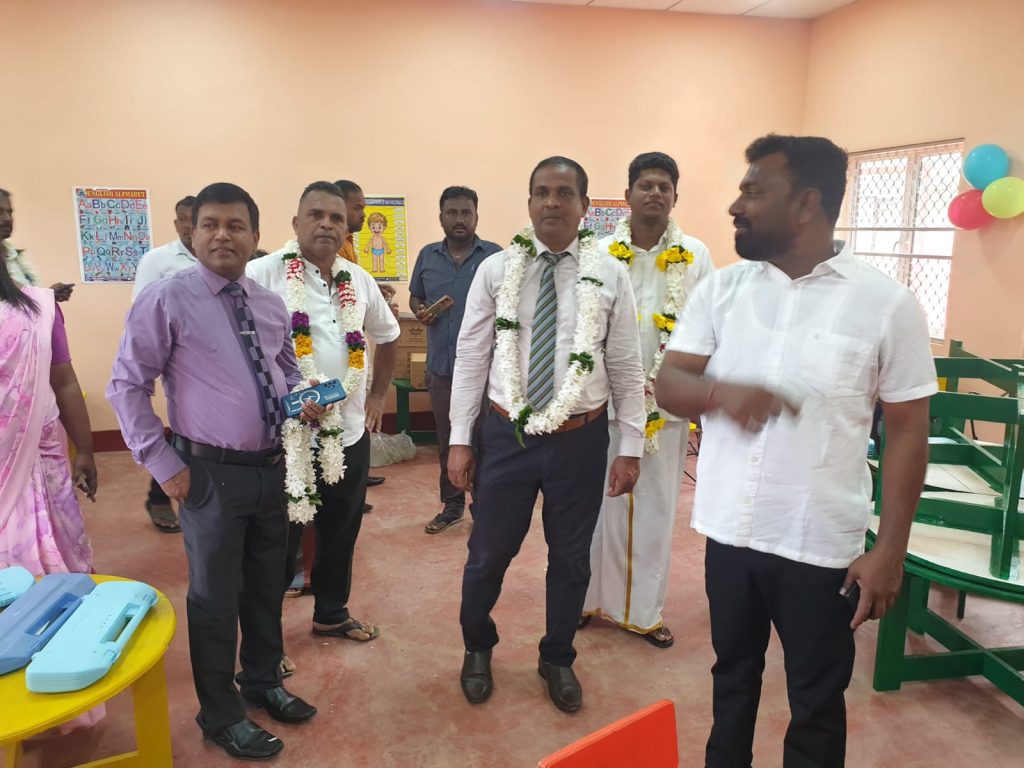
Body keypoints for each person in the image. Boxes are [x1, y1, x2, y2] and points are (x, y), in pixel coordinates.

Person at [654, 135, 936, 767]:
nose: (736, 206)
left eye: (753, 191)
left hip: (820, 545)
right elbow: (670, 383)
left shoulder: (886, 304)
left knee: (816, 699)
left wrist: (890, 550)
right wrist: (720, 393)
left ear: (807, 203)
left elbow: (907, 431)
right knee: (732, 678)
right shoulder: (722, 291)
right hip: (730, 530)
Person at [107, 183, 318, 762]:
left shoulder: (269, 304)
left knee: (267, 585)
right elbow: (126, 386)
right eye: (210, 225)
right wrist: (164, 465)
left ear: (255, 235)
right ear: (192, 234)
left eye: (235, 225)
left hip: (271, 468)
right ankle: (220, 713)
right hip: (208, 474)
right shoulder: (167, 300)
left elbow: (286, 372)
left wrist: (306, 398)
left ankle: (262, 681)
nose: (223, 235)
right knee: (215, 597)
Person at [449, 157, 646, 713]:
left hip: (580, 439)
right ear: (530, 202)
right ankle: (477, 647)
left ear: (585, 206)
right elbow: (471, 356)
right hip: (505, 435)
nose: (552, 202)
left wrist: (630, 446)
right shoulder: (496, 270)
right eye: (541, 192)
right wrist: (460, 439)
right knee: (487, 555)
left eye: (564, 193)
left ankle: (557, 656)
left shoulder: (611, 273)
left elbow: (626, 364)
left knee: (571, 558)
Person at [248, 181, 399, 645]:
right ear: (296, 223)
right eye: (316, 215)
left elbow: (388, 335)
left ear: (346, 227)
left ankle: (331, 614)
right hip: (283, 438)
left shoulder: (359, 279)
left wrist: (377, 396)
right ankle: (265, 645)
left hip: (348, 432)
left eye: (336, 218)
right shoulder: (261, 274)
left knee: (340, 531)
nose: (327, 225)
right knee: (277, 542)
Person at [581, 152, 713, 648]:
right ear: (628, 194)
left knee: (655, 512)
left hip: (666, 409)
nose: (655, 193)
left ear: (675, 196)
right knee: (594, 509)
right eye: (646, 185)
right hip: (602, 406)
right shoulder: (597, 252)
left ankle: (643, 613)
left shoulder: (695, 255)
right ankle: (585, 601)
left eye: (664, 186)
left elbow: (710, 329)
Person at [409, 186, 501, 534]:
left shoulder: (495, 258)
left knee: (487, 441)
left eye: (466, 213)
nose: (459, 219)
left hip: (488, 372)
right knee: (448, 439)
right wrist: (421, 310)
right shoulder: (427, 256)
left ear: (476, 216)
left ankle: (486, 505)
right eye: (452, 213)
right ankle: (452, 505)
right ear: (441, 217)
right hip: (443, 369)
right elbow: (416, 296)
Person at [0, 253, 96, 574]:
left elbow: (64, 381)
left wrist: (85, 449)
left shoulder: (39, 308)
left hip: (41, 453)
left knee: (59, 552)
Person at [130, 194, 197, 533]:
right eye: (184, 219)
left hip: (215, 359)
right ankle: (160, 493)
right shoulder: (158, 260)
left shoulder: (218, 255)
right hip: (176, 360)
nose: (190, 226)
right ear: (176, 223)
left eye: (196, 219)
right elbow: (141, 312)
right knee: (183, 427)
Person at [336, 178, 390, 497]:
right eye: (358, 207)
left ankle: (358, 472)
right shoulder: (336, 246)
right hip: (338, 358)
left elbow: (353, 287)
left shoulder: (349, 244)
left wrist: (375, 292)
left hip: (357, 345)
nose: (364, 214)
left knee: (360, 410)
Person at [1, 188, 75, 302]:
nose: (7, 218)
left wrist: (50, 294)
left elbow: (21, 296)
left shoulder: (14, 256)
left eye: (9, 212)